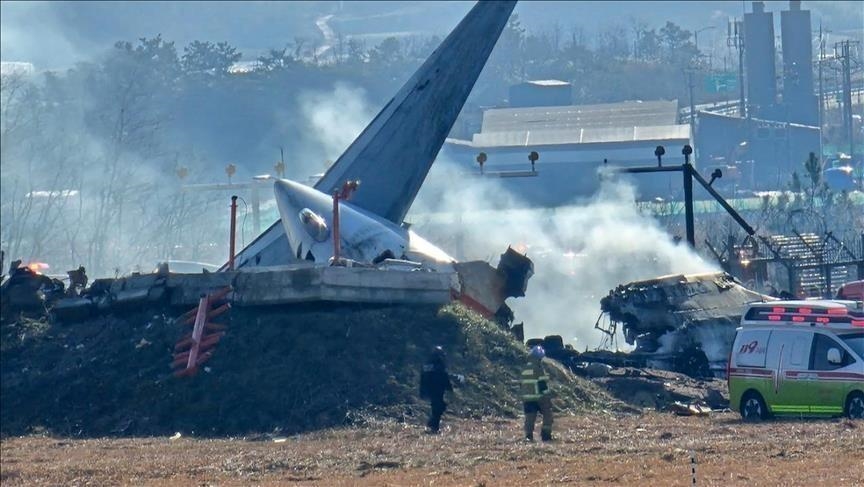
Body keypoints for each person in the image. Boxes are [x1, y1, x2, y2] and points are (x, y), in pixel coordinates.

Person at [521, 345, 553, 442]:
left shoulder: (524, 368)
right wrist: (547, 397)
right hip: (539, 397)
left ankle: (528, 436)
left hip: (527, 399)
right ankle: (546, 436)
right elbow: (542, 385)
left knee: (529, 419)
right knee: (548, 415)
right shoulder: (538, 369)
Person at [419, 346, 455, 434]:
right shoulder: (439, 364)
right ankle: (433, 425)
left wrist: (422, 390)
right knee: (439, 407)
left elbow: (423, 378)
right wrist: (449, 387)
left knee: (437, 407)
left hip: (430, 389)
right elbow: (444, 376)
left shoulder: (427, 364)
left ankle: (433, 425)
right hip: (438, 389)